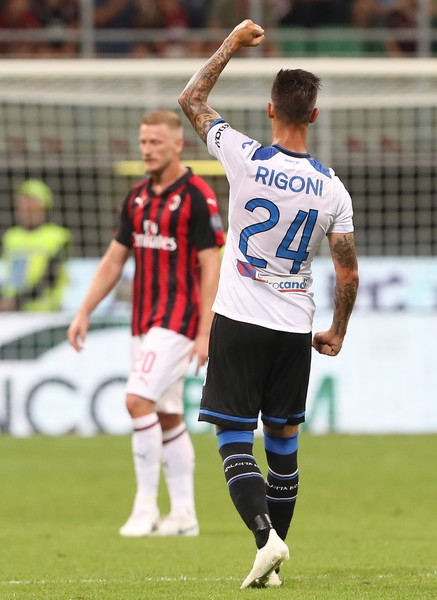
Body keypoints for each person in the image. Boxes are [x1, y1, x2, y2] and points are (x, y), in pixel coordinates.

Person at [178, 19, 359, 588]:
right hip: (294, 326)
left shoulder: (245, 156)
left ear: (270, 110)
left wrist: (232, 44)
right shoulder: (333, 188)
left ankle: (265, 540)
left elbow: (191, 100)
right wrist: (338, 330)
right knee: (283, 442)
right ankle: (274, 564)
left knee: (233, 437)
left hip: (238, 319)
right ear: (314, 115)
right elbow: (347, 271)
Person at [67, 109, 225, 537]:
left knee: (137, 400)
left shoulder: (197, 195)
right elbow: (114, 260)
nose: (147, 150)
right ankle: (185, 516)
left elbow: (211, 264)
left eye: (156, 142)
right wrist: (84, 311)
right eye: (143, 142)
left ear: (177, 144)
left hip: (179, 321)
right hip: (143, 321)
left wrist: (206, 330)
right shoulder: (136, 197)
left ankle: (144, 508)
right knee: (168, 414)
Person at [0, 179, 72, 311]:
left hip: (44, 311)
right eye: (21, 201)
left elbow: (50, 278)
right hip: (11, 313)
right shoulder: (11, 236)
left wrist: (16, 302)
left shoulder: (58, 236)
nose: (23, 207)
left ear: (44, 206)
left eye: (29, 201)